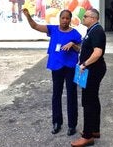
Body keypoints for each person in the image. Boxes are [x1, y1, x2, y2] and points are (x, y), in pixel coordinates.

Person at [22, 8, 82, 136]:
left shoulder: (75, 34)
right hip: (57, 67)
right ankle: (57, 123)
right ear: (59, 18)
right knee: (56, 95)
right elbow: (35, 26)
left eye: (67, 18)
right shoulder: (53, 29)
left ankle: (72, 125)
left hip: (71, 67)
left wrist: (73, 44)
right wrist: (28, 16)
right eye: (63, 18)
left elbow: (79, 50)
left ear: (70, 20)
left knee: (72, 95)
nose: (65, 20)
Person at [71, 9, 106, 147]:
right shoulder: (92, 30)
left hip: (92, 70)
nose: (83, 18)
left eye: (85, 16)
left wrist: (84, 64)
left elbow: (97, 53)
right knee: (93, 100)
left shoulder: (97, 31)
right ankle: (94, 130)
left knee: (88, 102)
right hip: (91, 70)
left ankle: (87, 136)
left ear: (93, 18)